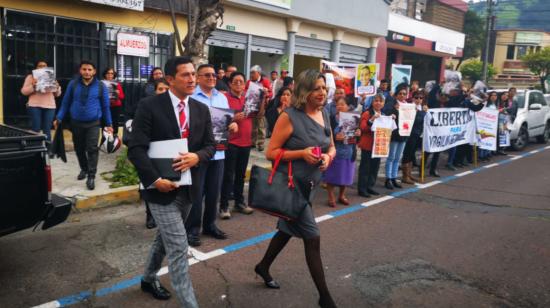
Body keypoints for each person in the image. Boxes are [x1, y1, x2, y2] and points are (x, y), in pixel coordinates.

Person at [128, 56, 215, 307]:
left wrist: (195, 157)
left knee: (163, 239)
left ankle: (147, 278)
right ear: (169, 79)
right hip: (159, 189)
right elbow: (136, 149)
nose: (192, 79)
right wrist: (155, 180)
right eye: (185, 75)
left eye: (193, 74)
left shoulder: (200, 108)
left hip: (189, 188)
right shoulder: (149, 106)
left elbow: (211, 145)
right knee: (178, 246)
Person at [255, 69, 337, 308]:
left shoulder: (325, 113)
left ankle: (262, 267)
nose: (321, 92)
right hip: (292, 186)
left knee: (287, 228)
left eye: (323, 88)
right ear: (304, 91)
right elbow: (271, 153)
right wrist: (301, 153)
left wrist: (329, 158)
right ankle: (325, 298)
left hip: (312, 185)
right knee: (312, 237)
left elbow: (331, 146)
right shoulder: (289, 116)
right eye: (316, 88)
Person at [187, 64, 234, 247]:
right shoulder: (191, 97)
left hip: (219, 153)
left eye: (214, 75)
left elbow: (226, 122)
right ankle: (192, 229)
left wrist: (232, 126)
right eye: (207, 75)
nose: (212, 78)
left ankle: (210, 225)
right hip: (199, 153)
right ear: (198, 78)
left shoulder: (222, 97)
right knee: (197, 194)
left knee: (214, 192)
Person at [54, 60, 112, 191]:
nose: (87, 72)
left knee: (92, 148)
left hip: (93, 123)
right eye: (84, 69)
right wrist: (59, 117)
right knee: (79, 148)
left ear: (94, 71)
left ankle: (91, 176)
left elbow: (105, 106)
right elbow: (66, 102)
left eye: (89, 69)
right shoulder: (73, 84)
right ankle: (84, 169)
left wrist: (109, 124)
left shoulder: (101, 86)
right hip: (76, 122)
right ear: (80, 71)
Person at [220, 71, 255, 219]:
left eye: (241, 81)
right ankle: (224, 206)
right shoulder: (224, 98)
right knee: (228, 175)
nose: (239, 84)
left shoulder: (249, 98)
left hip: (246, 142)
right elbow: (219, 119)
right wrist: (233, 118)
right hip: (231, 142)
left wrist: (264, 99)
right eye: (236, 82)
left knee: (241, 175)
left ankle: (239, 203)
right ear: (230, 84)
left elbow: (259, 115)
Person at [323, 97, 358, 207]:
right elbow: (326, 133)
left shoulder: (354, 118)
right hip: (335, 151)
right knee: (332, 175)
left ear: (348, 106)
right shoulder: (332, 118)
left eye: (342, 104)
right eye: (338, 104)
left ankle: (342, 195)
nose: (339, 106)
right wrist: (334, 137)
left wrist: (358, 133)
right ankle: (331, 196)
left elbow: (356, 134)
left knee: (346, 175)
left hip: (349, 151)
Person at [20, 60, 62, 143]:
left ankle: (48, 149)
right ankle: (35, 149)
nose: (43, 67)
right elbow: (23, 91)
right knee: (35, 129)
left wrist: (57, 87)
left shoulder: (51, 76)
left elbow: (57, 94)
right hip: (34, 106)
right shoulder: (30, 77)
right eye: (40, 65)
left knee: (47, 129)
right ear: (36, 67)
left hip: (49, 106)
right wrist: (33, 85)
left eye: (45, 65)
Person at [357, 94, 386, 197]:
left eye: (380, 101)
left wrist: (392, 118)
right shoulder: (367, 113)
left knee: (375, 167)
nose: (378, 103)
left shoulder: (384, 115)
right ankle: (362, 188)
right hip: (368, 144)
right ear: (372, 102)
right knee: (365, 167)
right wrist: (372, 119)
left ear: (383, 103)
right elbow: (363, 128)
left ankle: (370, 186)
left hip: (378, 146)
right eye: (376, 101)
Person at [383, 86, 410, 189]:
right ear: (396, 95)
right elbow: (386, 113)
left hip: (404, 134)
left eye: (404, 94)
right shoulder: (392, 103)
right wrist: (394, 110)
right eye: (400, 93)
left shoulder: (408, 105)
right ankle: (388, 178)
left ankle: (394, 177)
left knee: (398, 158)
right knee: (391, 157)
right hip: (394, 134)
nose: (402, 95)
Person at [401, 91, 427, 184]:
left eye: (421, 98)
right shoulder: (408, 107)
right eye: (416, 97)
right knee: (407, 154)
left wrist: (426, 111)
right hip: (409, 134)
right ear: (412, 98)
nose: (418, 100)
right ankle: (405, 176)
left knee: (412, 154)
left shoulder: (423, 109)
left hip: (417, 135)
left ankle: (409, 174)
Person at [246, 65, 272, 151]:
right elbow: (245, 91)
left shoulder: (265, 81)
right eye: (250, 73)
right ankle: (252, 142)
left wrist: (266, 93)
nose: (251, 74)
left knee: (261, 126)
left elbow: (271, 93)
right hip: (251, 106)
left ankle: (260, 143)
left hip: (261, 106)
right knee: (253, 125)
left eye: (253, 73)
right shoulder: (249, 82)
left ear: (258, 73)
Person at [102, 68, 125, 137]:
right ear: (105, 74)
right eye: (108, 73)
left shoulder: (117, 84)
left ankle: (114, 141)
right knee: (105, 124)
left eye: (112, 73)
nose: (110, 75)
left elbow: (122, 96)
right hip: (105, 106)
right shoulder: (101, 83)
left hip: (115, 106)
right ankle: (104, 141)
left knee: (115, 123)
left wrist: (117, 94)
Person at [479, 91, 498, 162]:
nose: (494, 97)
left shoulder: (495, 104)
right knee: (484, 139)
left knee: (490, 139)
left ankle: (487, 154)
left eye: (495, 95)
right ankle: (481, 156)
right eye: (492, 95)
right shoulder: (486, 103)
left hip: (492, 125)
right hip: (485, 125)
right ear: (490, 96)